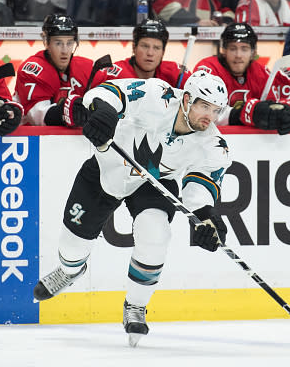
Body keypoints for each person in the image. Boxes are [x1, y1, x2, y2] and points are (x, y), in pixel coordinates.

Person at [33, 70, 232, 347]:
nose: (209, 116)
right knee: (72, 248)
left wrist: (206, 217)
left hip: (155, 184)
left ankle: (136, 305)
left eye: (216, 110)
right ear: (186, 99)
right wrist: (102, 112)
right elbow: (107, 93)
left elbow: (201, 186)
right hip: (107, 171)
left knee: (155, 236)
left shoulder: (214, 144)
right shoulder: (156, 95)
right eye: (204, 106)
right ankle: (70, 271)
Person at [194, 22, 290, 135]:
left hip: (250, 144)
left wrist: (284, 112)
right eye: (233, 48)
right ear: (224, 51)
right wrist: (245, 114)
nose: (238, 55)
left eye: (244, 49)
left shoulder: (261, 73)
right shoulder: (208, 70)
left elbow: (273, 105)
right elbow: (203, 112)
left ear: (253, 52)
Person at [15, 14, 105, 127]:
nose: (65, 50)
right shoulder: (33, 69)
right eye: (58, 43)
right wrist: (67, 112)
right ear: (46, 42)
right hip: (32, 141)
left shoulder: (87, 68)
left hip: (69, 141)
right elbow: (38, 117)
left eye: (69, 43)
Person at [100, 19, 191, 89]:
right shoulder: (114, 76)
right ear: (134, 48)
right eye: (145, 46)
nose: (150, 53)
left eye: (156, 48)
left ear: (163, 52)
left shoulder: (176, 74)